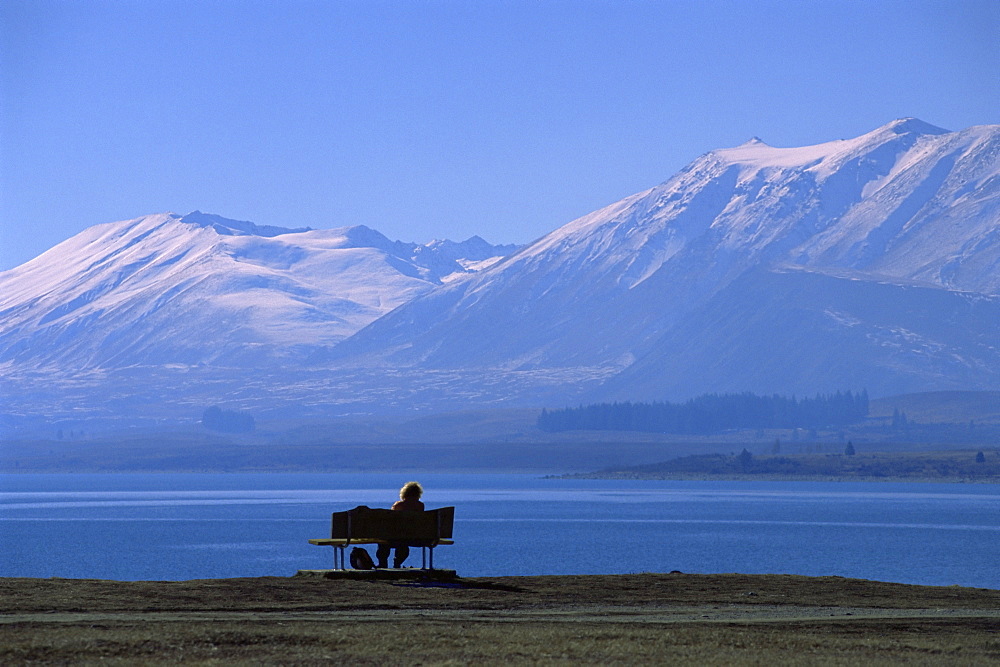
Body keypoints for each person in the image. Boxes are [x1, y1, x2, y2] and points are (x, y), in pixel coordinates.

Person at [376, 481, 425, 568]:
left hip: (396, 536)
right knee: (403, 543)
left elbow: (390, 521)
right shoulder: (420, 506)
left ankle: (383, 564)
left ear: (404, 492)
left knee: (383, 542)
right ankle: (397, 562)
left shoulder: (398, 505)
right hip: (413, 537)